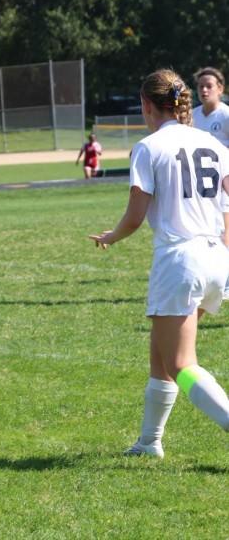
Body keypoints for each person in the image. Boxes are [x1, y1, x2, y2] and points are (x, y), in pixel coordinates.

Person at [89, 69, 229, 458]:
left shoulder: (148, 147)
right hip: (217, 257)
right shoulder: (214, 144)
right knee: (161, 352)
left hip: (180, 260)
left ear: (147, 105)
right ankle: (149, 442)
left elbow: (135, 216)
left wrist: (111, 236)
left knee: (182, 362)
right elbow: (226, 209)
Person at [192, 66, 229, 148]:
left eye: (209, 86)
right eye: (201, 86)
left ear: (220, 89)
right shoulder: (191, 116)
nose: (204, 90)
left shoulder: (226, 115)